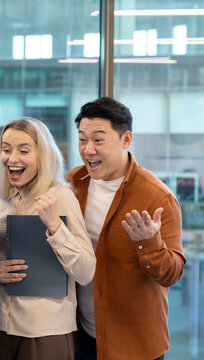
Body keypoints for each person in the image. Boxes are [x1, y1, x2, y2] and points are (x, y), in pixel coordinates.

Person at [67, 97, 186, 360]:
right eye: (82, 139)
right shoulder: (74, 182)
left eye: (98, 140)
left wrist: (150, 243)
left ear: (125, 140)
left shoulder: (157, 197)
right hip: (82, 335)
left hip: (134, 344)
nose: (88, 149)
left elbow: (173, 273)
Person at [0, 118, 96, 360]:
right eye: (6, 149)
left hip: (45, 332)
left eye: (24, 151)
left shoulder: (60, 197)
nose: (12, 158)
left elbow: (86, 271)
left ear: (43, 156)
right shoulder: (0, 198)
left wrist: (55, 225)